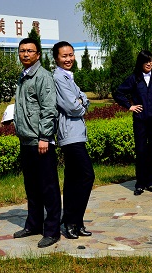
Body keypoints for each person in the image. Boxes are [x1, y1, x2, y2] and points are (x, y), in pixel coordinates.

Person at [12, 37, 61, 248]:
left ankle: (52, 230)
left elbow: (49, 109)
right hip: (26, 140)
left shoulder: (43, 77)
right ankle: (33, 224)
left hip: (41, 141)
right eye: (22, 50)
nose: (25, 54)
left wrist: (44, 137)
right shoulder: (23, 76)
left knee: (48, 187)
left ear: (38, 55)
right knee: (31, 186)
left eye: (29, 51)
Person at [52, 41, 95, 240]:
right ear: (56, 58)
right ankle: (72, 220)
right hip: (70, 134)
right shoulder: (58, 77)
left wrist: (81, 101)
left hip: (76, 132)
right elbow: (73, 107)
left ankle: (75, 222)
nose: (68, 59)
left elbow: (84, 98)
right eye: (64, 56)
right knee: (87, 176)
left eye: (71, 55)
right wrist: (81, 102)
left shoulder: (68, 76)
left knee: (73, 179)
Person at [113, 50, 152, 196]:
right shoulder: (134, 78)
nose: (149, 63)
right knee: (141, 151)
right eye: (146, 61)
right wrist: (130, 106)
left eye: (151, 61)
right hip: (140, 121)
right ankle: (140, 184)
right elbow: (118, 93)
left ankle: (151, 182)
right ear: (140, 63)